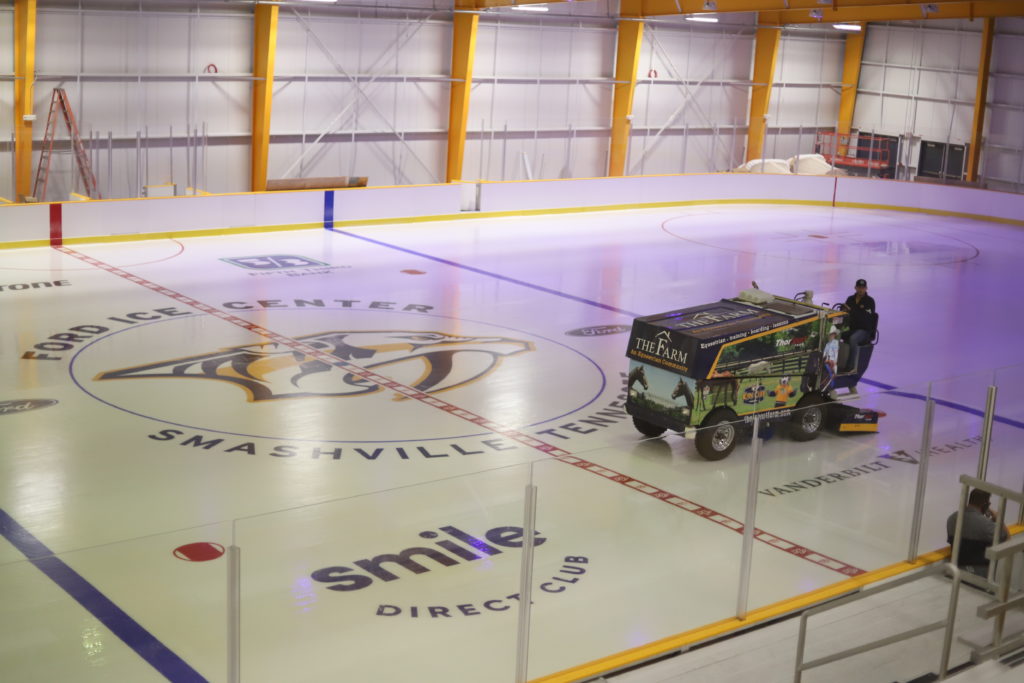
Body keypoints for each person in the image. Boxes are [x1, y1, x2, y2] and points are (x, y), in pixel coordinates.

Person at [946, 488, 1009, 576]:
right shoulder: (987, 525)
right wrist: (999, 519)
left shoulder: (951, 519)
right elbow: (1007, 539)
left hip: (954, 572)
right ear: (985, 505)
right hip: (977, 577)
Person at [840, 278, 877, 376]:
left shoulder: (870, 301)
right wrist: (843, 310)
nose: (861, 290)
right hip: (851, 329)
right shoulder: (850, 299)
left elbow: (865, 318)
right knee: (835, 334)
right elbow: (844, 313)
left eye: (863, 288)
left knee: (853, 339)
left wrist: (851, 311)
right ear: (855, 288)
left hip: (864, 330)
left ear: (866, 288)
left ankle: (851, 367)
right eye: (859, 287)